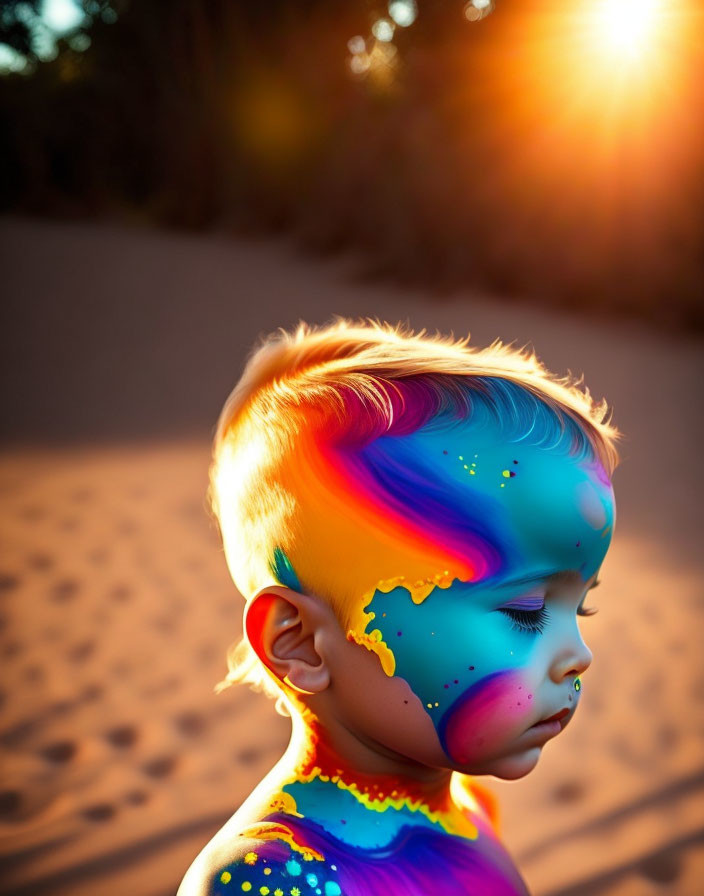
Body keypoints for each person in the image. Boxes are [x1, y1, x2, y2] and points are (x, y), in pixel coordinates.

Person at [178, 318, 618, 896]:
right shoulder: (273, 879)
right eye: (527, 610)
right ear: (302, 642)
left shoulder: (467, 804)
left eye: (579, 607)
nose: (578, 655)